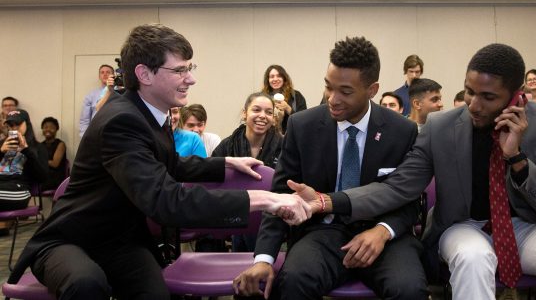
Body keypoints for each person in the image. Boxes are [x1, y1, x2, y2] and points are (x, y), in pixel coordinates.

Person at [7, 23, 311, 300]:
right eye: (180, 70)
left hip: (119, 241)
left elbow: (168, 163)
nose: (191, 78)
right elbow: (166, 200)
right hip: (72, 240)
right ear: (144, 74)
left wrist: (226, 162)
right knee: (87, 285)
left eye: (189, 68)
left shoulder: (151, 112)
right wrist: (264, 199)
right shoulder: (121, 120)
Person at [296, 43, 536, 300]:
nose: (474, 104)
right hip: (463, 224)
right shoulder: (440, 127)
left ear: (515, 94)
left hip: (526, 226)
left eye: (488, 97)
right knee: (473, 258)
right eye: (469, 92)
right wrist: (328, 201)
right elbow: (398, 187)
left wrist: (517, 159)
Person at [234, 36, 428, 300]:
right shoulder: (302, 126)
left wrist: (383, 231)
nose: (332, 99)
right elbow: (281, 196)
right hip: (322, 232)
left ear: (372, 90)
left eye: (345, 92)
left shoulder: (401, 130)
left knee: (409, 290)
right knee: (292, 282)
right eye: (328, 87)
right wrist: (264, 259)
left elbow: (409, 199)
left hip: (382, 234)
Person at [212, 92, 283, 252]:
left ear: (273, 118)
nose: (262, 116)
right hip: (235, 213)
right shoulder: (228, 145)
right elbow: (214, 180)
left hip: (272, 218)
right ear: (245, 113)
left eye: (269, 112)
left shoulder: (284, 146)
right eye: (256, 110)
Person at [0, 110, 48, 211]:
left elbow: (42, 177)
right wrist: (1, 152)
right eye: (10, 125)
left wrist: (26, 150)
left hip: (19, 190)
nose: (14, 128)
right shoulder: (2, 145)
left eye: (17, 124)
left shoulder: (38, 148)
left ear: (27, 124)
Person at [261, 64, 307, 134]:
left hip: (291, 137)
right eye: (272, 77)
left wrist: (288, 108)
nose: (275, 79)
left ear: (284, 78)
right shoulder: (262, 97)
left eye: (279, 76)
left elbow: (304, 120)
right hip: (268, 137)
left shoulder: (295, 95)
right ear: (268, 80)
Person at [79, 64, 115, 136]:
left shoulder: (121, 92)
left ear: (113, 75)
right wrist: (84, 136)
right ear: (99, 76)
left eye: (108, 72)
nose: (105, 74)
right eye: (102, 72)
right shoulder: (91, 96)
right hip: (96, 133)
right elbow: (84, 120)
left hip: (114, 131)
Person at [40, 117, 67, 190]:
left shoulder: (60, 144)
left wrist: (39, 160)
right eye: (45, 127)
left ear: (56, 129)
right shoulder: (40, 145)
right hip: (44, 176)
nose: (48, 129)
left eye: (52, 127)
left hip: (55, 178)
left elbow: (55, 164)